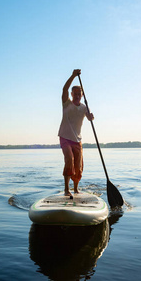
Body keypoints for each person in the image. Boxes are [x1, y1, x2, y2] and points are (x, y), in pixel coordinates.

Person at [58, 69, 94, 197]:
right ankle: (66, 189)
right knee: (69, 159)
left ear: (82, 95)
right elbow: (64, 89)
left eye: (80, 94)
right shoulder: (66, 103)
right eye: (75, 93)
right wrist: (73, 75)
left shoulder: (84, 107)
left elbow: (89, 118)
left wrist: (90, 116)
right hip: (65, 138)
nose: (77, 95)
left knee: (78, 167)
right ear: (72, 94)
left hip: (77, 140)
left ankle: (76, 189)